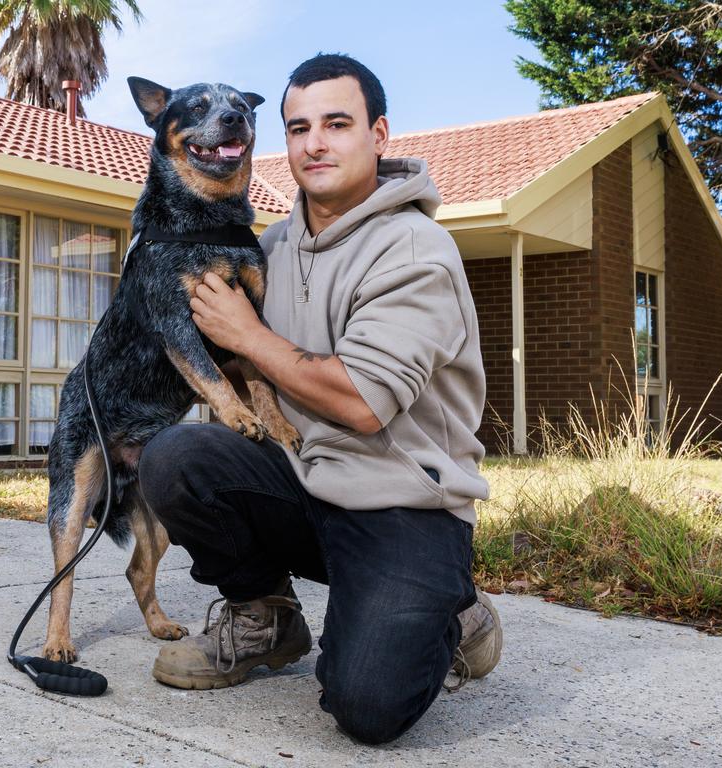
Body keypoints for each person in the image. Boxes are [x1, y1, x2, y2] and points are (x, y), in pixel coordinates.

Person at [137, 53, 501, 745]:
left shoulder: (415, 249)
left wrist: (247, 332)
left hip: (403, 505)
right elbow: (205, 345)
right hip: (304, 480)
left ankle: (454, 614)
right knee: (176, 456)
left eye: (337, 123)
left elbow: (364, 403)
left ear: (379, 134)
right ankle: (265, 616)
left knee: (367, 708)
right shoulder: (265, 247)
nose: (314, 143)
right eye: (298, 127)